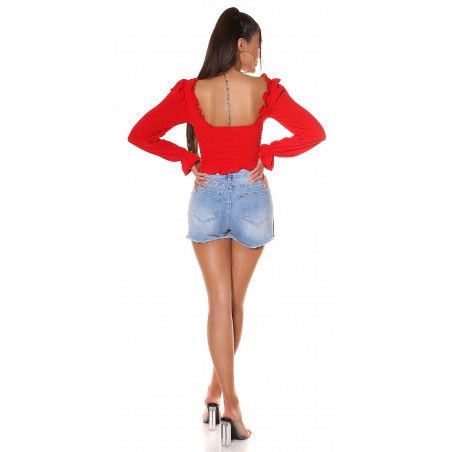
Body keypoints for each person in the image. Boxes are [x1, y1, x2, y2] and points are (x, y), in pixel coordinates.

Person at [127, 7, 326, 446]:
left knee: (220, 305)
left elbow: (140, 134)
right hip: (252, 197)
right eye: (257, 45)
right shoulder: (266, 91)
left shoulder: (192, 91)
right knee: (235, 304)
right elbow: (313, 132)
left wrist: (188, 160)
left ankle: (216, 394)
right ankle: (228, 405)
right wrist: (266, 155)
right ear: (240, 43)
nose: (259, 55)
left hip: (207, 197)